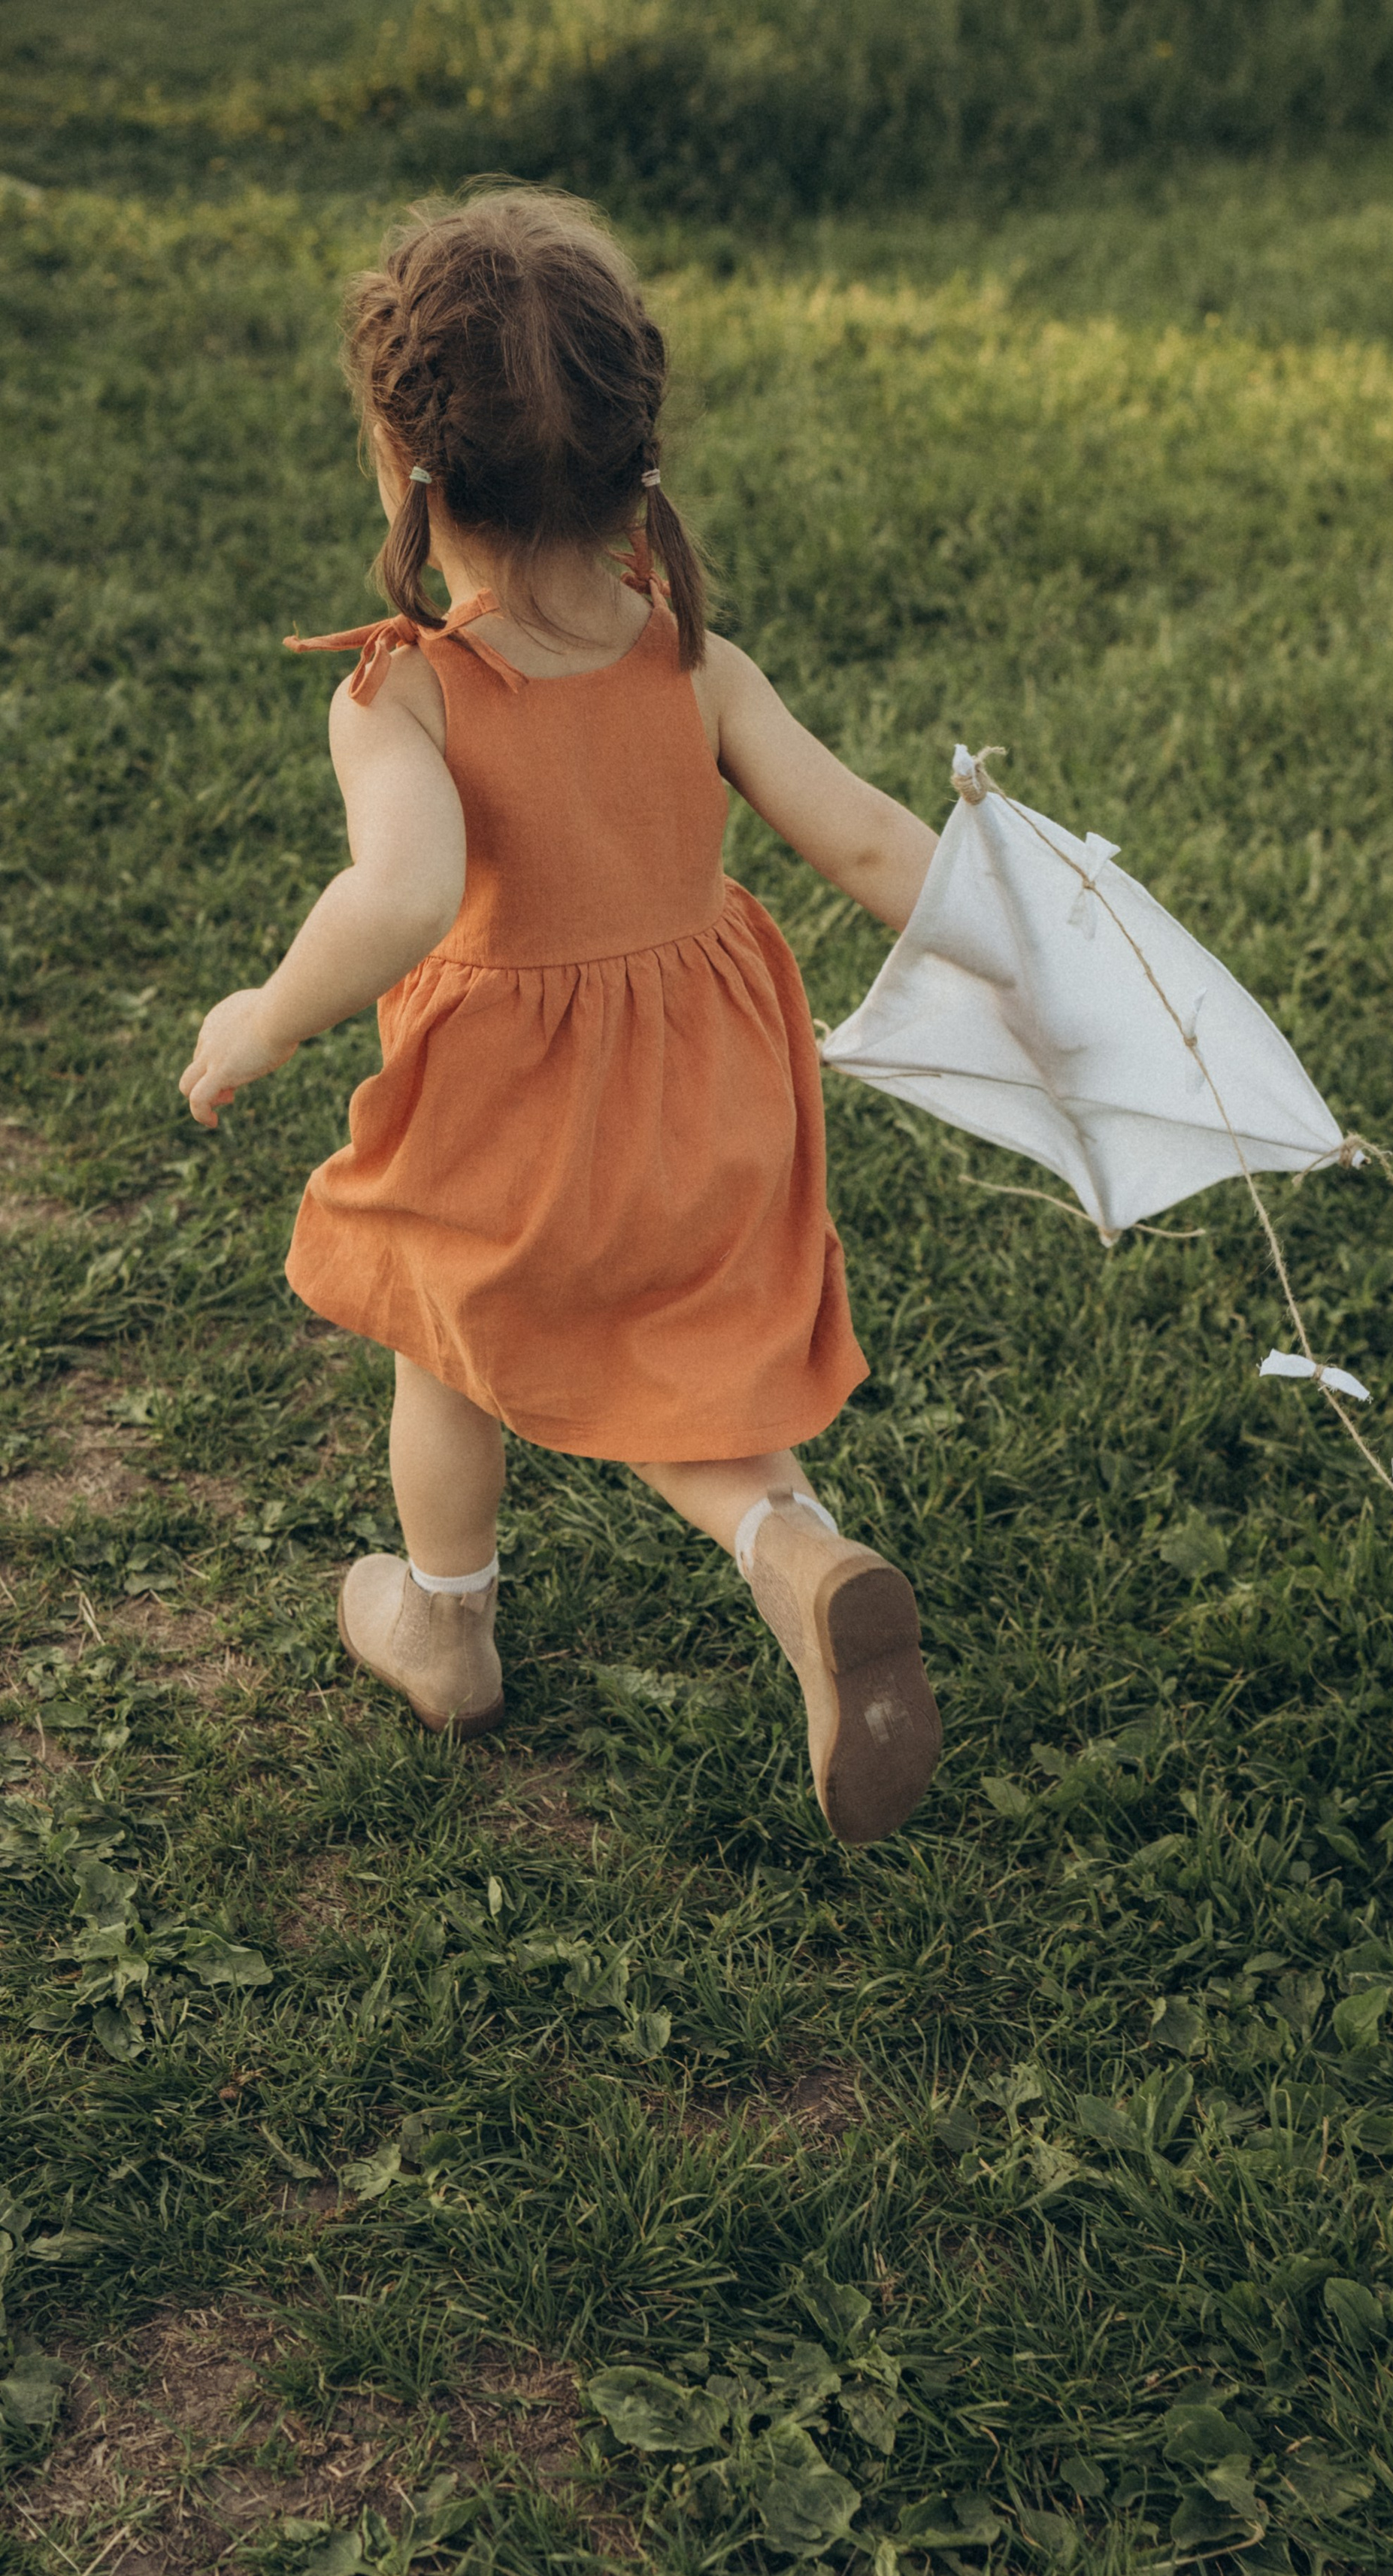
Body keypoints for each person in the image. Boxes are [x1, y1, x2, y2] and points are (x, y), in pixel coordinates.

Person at [177, 186, 942, 1846]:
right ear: (633, 455)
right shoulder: (693, 661)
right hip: (715, 1110)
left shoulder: (408, 692)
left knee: (448, 1332)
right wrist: (1041, 958)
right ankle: (793, 1548)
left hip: (515, 1126)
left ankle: (445, 1625)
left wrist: (267, 1013)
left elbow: (398, 897)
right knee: (673, 1359)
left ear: (405, 462)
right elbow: (877, 846)